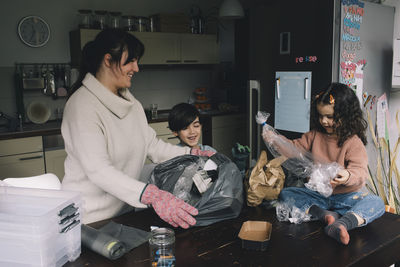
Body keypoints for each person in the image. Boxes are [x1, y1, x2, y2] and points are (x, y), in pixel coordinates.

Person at [61, 29, 213, 228]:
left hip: (124, 214)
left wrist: (192, 153)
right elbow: (98, 170)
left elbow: (153, 146)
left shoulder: (131, 103)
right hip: (89, 221)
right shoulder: (82, 105)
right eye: (131, 60)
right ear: (108, 60)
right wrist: (150, 194)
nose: (137, 68)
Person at [262, 82, 385, 245]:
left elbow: (360, 171)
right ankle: (324, 215)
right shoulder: (314, 136)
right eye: (320, 116)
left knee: (376, 203)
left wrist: (347, 175)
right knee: (287, 193)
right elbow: (293, 148)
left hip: (346, 197)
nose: (324, 121)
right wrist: (275, 140)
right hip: (318, 196)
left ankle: (342, 224)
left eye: (330, 117)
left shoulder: (353, 142)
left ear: (346, 116)